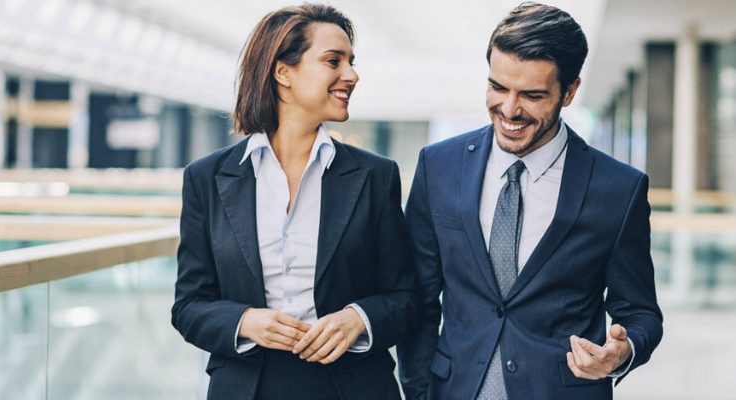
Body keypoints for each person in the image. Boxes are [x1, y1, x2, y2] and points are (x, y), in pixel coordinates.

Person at [397, 3, 663, 399]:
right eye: (498, 87)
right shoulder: (438, 166)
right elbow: (418, 297)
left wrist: (622, 351)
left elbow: (641, 312)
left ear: (569, 91)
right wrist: (418, 393)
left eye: (532, 95)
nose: (508, 109)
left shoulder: (618, 189)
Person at [171, 4, 415, 400]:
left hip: (351, 386)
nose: (351, 75)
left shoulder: (375, 176)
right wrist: (246, 321)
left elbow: (406, 298)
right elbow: (188, 307)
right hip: (246, 386)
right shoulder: (207, 178)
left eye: (351, 61)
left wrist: (358, 319)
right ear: (283, 72)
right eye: (333, 61)